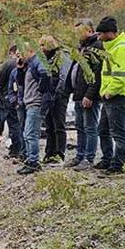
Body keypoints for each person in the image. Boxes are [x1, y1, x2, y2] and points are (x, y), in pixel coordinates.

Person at [95, 16, 125, 175]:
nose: (99, 38)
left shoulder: (123, 47)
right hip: (109, 95)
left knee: (118, 132)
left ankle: (117, 165)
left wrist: (109, 92)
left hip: (118, 96)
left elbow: (121, 75)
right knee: (103, 130)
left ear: (109, 33)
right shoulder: (112, 47)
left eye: (100, 34)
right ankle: (107, 159)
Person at [65, 18, 103, 170]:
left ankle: (89, 158)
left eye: (80, 31)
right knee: (80, 127)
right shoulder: (81, 48)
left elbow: (97, 74)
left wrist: (90, 94)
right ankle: (80, 155)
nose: (78, 35)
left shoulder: (96, 47)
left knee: (90, 127)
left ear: (90, 31)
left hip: (88, 95)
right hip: (78, 94)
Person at [17, 42, 50, 175]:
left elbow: (45, 74)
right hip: (30, 103)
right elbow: (19, 82)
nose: (20, 55)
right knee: (27, 133)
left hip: (35, 103)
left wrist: (40, 92)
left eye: (21, 52)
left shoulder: (38, 61)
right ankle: (30, 159)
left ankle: (34, 161)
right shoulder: (29, 65)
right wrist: (20, 69)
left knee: (31, 134)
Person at [40, 35, 72, 164]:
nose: (41, 48)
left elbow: (63, 76)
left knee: (59, 125)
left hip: (60, 95)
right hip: (48, 95)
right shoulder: (44, 59)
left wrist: (57, 93)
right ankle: (49, 152)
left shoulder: (62, 57)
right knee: (49, 125)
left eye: (43, 45)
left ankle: (59, 153)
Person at [0, 45, 19, 139]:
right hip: (19, 96)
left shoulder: (8, 64)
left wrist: (1, 96)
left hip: (6, 95)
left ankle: (3, 134)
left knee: (7, 119)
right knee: (18, 121)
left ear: (11, 53)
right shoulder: (27, 63)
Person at [5, 54, 27, 161]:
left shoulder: (31, 69)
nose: (19, 57)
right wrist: (14, 102)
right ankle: (22, 153)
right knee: (21, 128)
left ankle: (30, 155)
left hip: (31, 103)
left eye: (21, 55)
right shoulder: (14, 72)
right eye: (18, 55)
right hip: (19, 104)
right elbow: (10, 89)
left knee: (30, 130)